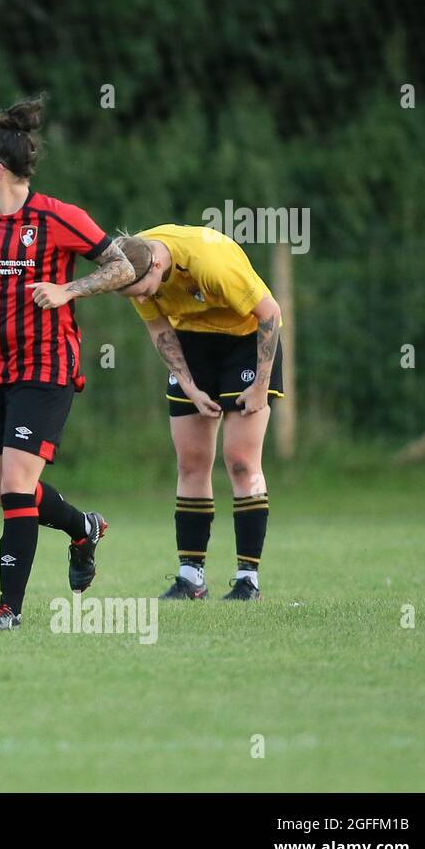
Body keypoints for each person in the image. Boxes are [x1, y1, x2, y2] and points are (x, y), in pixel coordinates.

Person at [0, 96, 136, 632]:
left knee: (15, 485)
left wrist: (67, 288)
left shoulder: (58, 218)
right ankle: (83, 527)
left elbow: (122, 267)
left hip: (45, 368)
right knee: (9, 491)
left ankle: (9, 607)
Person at [110, 226, 283, 600]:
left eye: (144, 289)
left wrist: (260, 385)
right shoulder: (130, 264)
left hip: (246, 340)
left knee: (240, 461)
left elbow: (270, 313)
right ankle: (191, 578)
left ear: (157, 263)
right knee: (190, 463)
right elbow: (159, 329)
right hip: (193, 343)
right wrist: (188, 386)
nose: (142, 297)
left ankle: (247, 580)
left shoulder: (210, 263)